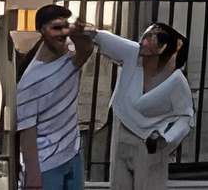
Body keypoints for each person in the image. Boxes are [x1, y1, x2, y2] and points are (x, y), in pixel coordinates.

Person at [79, 23, 194, 190]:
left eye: (156, 36)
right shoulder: (132, 55)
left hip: (150, 142)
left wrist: (166, 137)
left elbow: (185, 117)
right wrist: (93, 34)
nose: (147, 38)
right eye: (147, 33)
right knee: (119, 184)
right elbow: (112, 42)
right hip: (122, 132)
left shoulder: (176, 81)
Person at [13, 5, 90, 190]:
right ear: (41, 30)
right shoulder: (30, 80)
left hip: (72, 154)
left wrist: (78, 32)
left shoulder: (70, 60)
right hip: (46, 163)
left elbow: (86, 50)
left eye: (65, 27)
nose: (62, 33)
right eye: (56, 28)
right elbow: (27, 134)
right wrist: (33, 178)